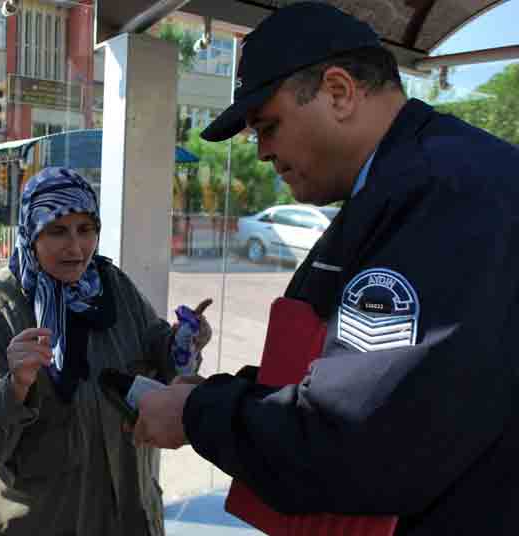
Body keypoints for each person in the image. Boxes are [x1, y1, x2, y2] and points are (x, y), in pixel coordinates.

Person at [133, 2, 519, 534]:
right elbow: (348, 373)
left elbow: (363, 435)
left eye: (267, 126)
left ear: (338, 92)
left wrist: (197, 414)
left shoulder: (444, 193)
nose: (263, 151)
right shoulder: (401, 185)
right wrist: (211, 399)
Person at [0, 167, 212, 536]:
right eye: (58, 231)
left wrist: (182, 343)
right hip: (38, 523)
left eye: (86, 230)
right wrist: (12, 389)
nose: (76, 248)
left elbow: (157, 351)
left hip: (127, 517)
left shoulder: (113, 289)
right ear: (31, 234)